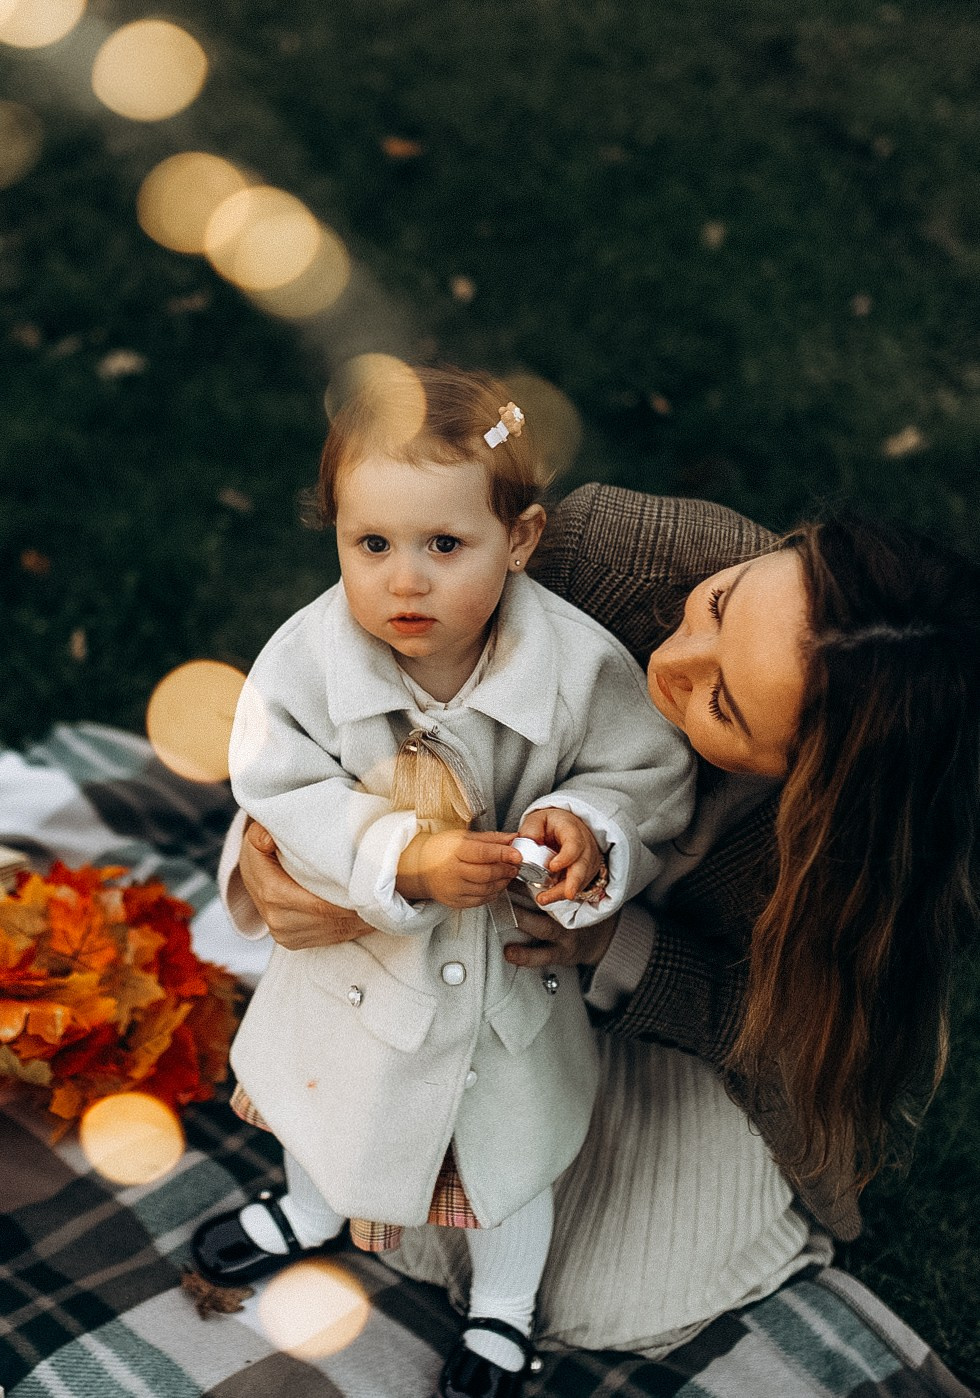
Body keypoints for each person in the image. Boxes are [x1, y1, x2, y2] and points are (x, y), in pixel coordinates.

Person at [206, 482, 980, 1364]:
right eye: (719, 607)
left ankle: (506, 1292)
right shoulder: (606, 553)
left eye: (723, 706)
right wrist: (268, 860)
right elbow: (347, 695)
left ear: (814, 789)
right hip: (438, 925)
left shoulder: (881, 869)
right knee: (358, 1116)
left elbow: (792, 1037)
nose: (672, 664)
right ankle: (339, 1190)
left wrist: (614, 947)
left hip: (653, 1030)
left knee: (598, 1289)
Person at [193, 374, 696, 1395]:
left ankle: (503, 1310)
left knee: (509, 1162)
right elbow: (280, 780)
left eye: (443, 546)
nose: (403, 583)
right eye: (370, 545)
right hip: (358, 966)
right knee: (318, 1105)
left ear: (518, 539)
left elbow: (642, 773)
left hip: (501, 987)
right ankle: (310, 1211)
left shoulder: (575, 665)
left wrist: (588, 834)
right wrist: (395, 852)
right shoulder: (305, 661)